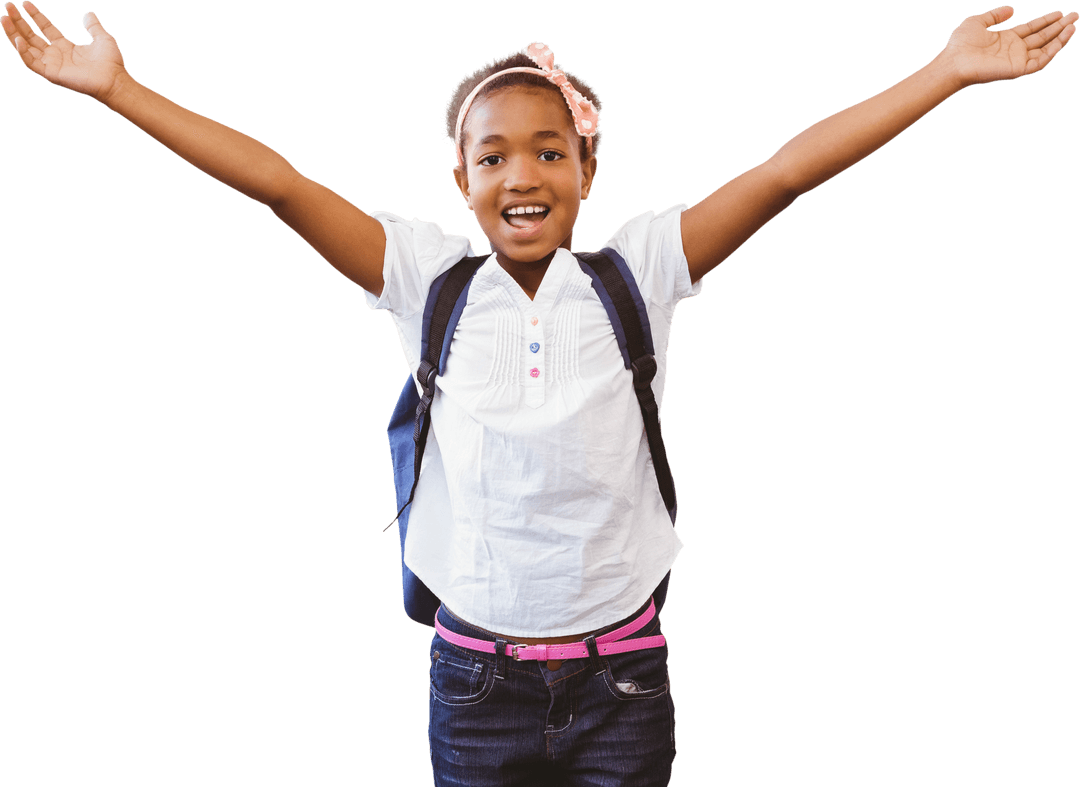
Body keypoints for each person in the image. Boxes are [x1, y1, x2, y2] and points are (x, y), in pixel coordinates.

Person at [3, 2, 1074, 785]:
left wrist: (943, 72)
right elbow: (279, 181)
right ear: (461, 181)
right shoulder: (423, 275)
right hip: (475, 683)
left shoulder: (640, 270)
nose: (524, 175)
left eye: (550, 151)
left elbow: (787, 170)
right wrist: (122, 92)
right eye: (494, 156)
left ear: (588, 171)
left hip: (625, 679)